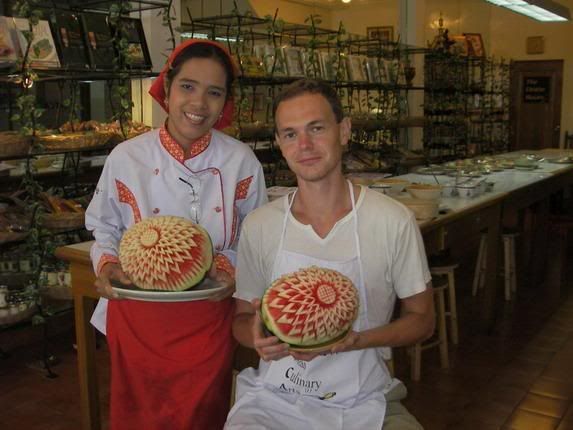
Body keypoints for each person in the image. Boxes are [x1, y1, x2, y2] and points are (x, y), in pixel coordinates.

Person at [226, 79, 434, 429]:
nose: (304, 145)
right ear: (279, 143)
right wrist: (258, 336)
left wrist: (356, 341)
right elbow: (240, 319)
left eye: (316, 128)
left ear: (344, 130)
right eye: (290, 134)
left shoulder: (391, 220)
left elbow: (422, 320)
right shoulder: (260, 225)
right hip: (276, 400)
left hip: (363, 399)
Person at [84, 39, 267, 430]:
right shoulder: (127, 157)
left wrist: (227, 268)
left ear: (225, 102)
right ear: (167, 88)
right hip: (138, 316)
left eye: (213, 92)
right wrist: (109, 265)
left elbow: (255, 240)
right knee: (137, 415)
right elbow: (103, 226)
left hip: (207, 317)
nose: (199, 103)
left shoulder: (241, 160)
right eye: (188, 86)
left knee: (201, 413)